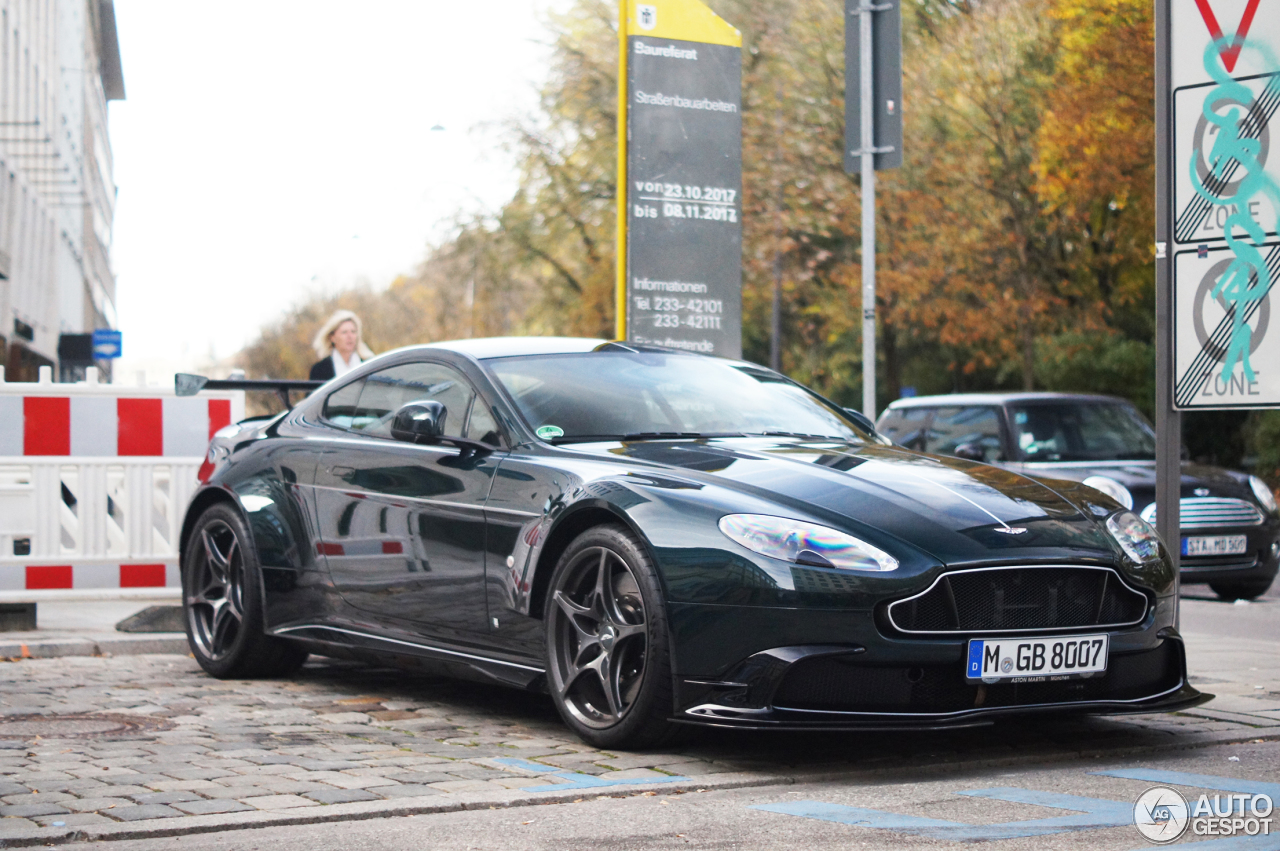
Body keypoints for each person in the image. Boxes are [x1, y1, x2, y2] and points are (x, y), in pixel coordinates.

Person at [309, 310, 374, 381]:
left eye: (353, 332)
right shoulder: (320, 370)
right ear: (332, 337)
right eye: (344, 332)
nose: (350, 336)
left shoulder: (369, 365)